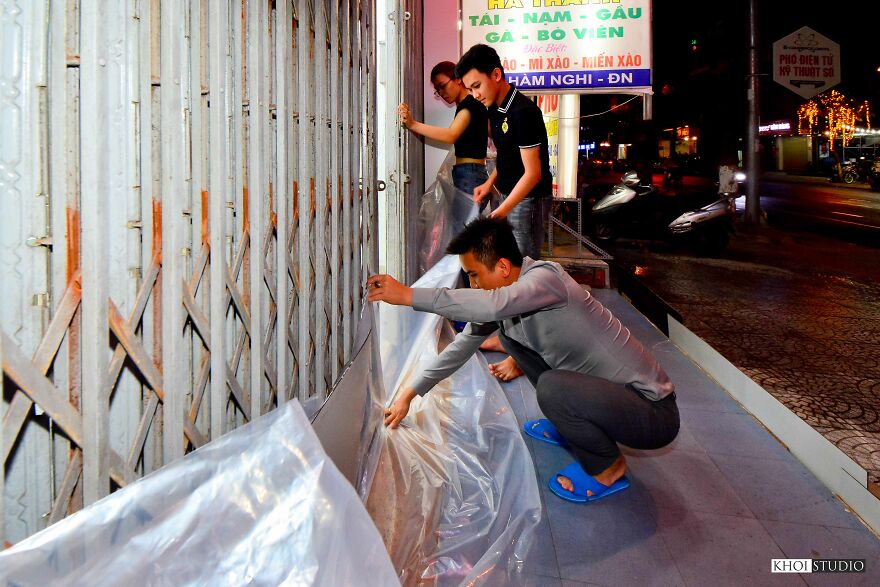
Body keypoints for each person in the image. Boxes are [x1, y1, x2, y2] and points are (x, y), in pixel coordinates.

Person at [367, 217, 679, 504]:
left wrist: (408, 295)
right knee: (512, 341)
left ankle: (608, 467)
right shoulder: (512, 300)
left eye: (474, 275)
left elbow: (492, 304)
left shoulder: (545, 279)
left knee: (553, 387)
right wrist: (411, 393)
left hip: (652, 411)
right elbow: (460, 348)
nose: (473, 285)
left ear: (503, 267)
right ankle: (570, 422)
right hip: (607, 396)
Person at [455, 44, 552, 381]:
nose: (475, 94)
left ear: (496, 74)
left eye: (477, 86)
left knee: (524, 279)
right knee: (506, 273)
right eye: (469, 89)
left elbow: (533, 174)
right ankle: (510, 340)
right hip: (507, 197)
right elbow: (508, 160)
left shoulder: (524, 112)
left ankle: (524, 357)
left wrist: (502, 212)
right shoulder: (494, 109)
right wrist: (490, 184)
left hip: (528, 200)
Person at [398, 61, 489, 203]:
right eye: (437, 90)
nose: (441, 93)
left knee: (463, 218)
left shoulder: (469, 106)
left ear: (458, 79)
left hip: (469, 174)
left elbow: (450, 135)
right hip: (471, 172)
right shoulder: (471, 105)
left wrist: (412, 124)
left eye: (442, 86)